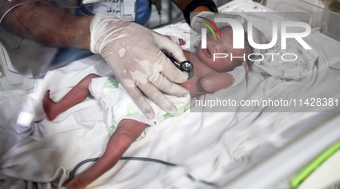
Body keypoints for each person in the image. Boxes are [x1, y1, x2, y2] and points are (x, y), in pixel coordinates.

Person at [0, 0, 219, 119]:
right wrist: (100, 32)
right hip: (58, 42)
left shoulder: (200, 55)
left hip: (136, 33)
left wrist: (198, 9)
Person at [43, 26, 252, 189]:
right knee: (89, 80)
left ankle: (84, 179)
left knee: (123, 138)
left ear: (231, 67)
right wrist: (168, 44)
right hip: (126, 86)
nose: (216, 46)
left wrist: (237, 76)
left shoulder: (209, 76)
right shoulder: (186, 51)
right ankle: (57, 108)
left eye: (225, 52)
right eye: (217, 38)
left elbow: (208, 85)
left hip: (145, 107)